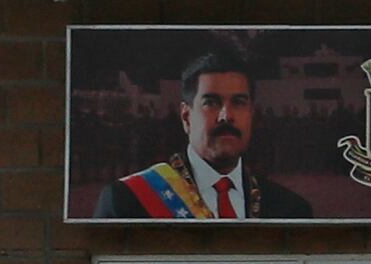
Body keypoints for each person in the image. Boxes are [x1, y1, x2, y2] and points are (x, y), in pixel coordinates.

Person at [105, 41, 294, 220]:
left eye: (239, 102)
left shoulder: (290, 208)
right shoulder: (126, 203)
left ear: (251, 114)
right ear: (186, 116)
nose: (226, 116)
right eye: (211, 103)